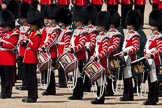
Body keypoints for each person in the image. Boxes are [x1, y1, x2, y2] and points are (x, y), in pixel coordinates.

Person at [21, 7, 43, 103]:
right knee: (28, 78)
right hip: (27, 58)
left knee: (32, 79)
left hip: (32, 58)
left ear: (36, 25)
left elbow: (35, 47)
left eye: (32, 24)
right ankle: (30, 95)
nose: (31, 26)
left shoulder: (37, 34)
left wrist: (28, 42)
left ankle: (33, 97)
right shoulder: (30, 32)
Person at [119, 10, 141, 101]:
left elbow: (136, 48)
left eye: (130, 23)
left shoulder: (135, 35)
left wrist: (126, 53)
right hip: (125, 58)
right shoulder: (128, 34)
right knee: (126, 77)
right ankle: (126, 94)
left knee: (128, 77)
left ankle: (129, 95)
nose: (127, 25)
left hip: (130, 58)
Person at [39, 4, 61, 95]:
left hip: (52, 52)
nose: (49, 20)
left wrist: (44, 46)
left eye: (51, 19)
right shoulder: (45, 28)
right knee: (46, 71)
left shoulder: (56, 29)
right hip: (44, 52)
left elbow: (52, 40)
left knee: (50, 72)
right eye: (49, 18)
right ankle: (49, 88)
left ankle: (51, 89)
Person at [90, 11, 110, 104]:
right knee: (98, 80)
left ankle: (101, 98)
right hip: (97, 60)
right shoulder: (99, 36)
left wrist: (97, 56)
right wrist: (93, 56)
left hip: (102, 61)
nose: (97, 27)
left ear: (103, 26)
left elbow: (104, 51)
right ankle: (98, 97)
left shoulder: (105, 37)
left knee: (101, 81)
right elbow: (96, 49)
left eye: (98, 26)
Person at [68, 7, 88, 100]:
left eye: (77, 21)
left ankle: (79, 94)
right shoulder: (75, 30)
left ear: (81, 21)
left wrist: (73, 49)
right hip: (75, 56)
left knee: (79, 76)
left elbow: (81, 44)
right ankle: (75, 93)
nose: (75, 22)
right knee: (75, 75)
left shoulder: (83, 31)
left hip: (80, 56)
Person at [143, 9, 162, 105]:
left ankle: (153, 98)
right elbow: (147, 48)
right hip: (148, 60)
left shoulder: (159, 36)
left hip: (154, 61)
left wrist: (152, 55)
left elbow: (160, 49)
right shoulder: (150, 36)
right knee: (150, 79)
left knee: (153, 79)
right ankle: (151, 98)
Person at [0, 9, 19, 99]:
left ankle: (7, 93)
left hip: (9, 59)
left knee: (8, 79)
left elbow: (12, 45)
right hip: (2, 59)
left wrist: (2, 43)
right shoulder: (2, 33)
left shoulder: (14, 33)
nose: (3, 28)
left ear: (9, 26)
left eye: (4, 26)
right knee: (3, 78)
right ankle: (3, 92)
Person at [105, 10, 121, 96]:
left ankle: (111, 89)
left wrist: (107, 50)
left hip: (112, 56)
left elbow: (115, 45)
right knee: (107, 74)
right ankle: (107, 88)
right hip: (105, 56)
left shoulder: (116, 33)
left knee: (112, 75)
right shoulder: (106, 32)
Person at [16, 2, 31, 90]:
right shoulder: (21, 27)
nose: (21, 19)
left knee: (26, 69)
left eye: (22, 17)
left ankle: (27, 84)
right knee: (22, 69)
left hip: (26, 51)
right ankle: (24, 83)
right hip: (21, 51)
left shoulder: (29, 27)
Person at [83, 4, 98, 92]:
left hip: (89, 51)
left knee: (89, 68)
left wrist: (87, 48)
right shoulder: (85, 28)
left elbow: (93, 41)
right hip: (84, 51)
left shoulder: (93, 29)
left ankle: (87, 85)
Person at [57, 6, 72, 88]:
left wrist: (65, 52)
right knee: (60, 67)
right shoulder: (60, 30)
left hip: (63, 50)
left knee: (64, 67)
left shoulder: (67, 31)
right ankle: (61, 81)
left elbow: (67, 42)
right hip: (59, 49)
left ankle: (64, 82)